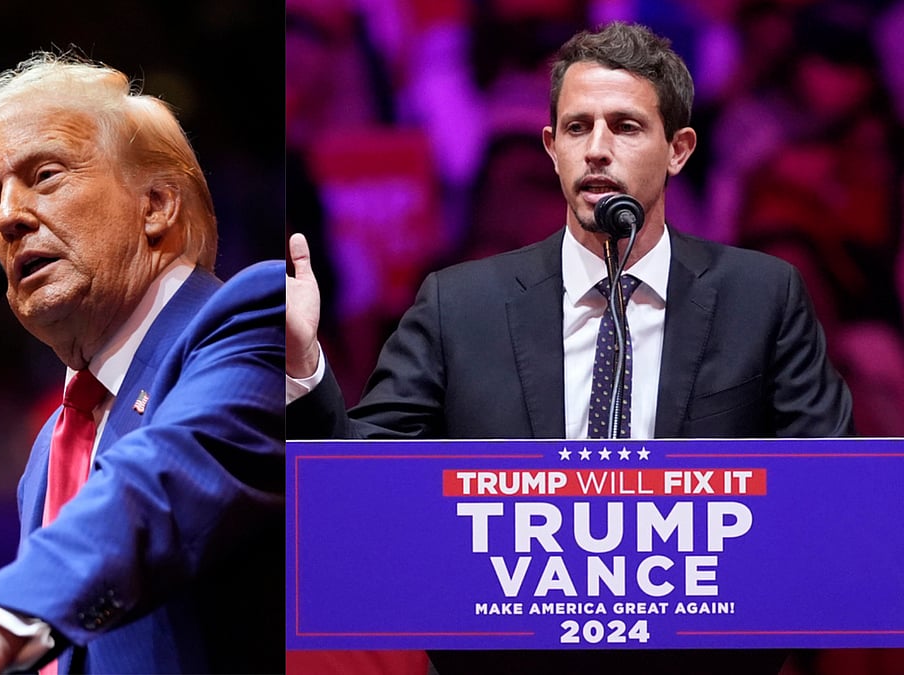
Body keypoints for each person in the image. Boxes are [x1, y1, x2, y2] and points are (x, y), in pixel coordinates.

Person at [286, 20, 853, 675]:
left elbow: (832, 511)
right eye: (579, 129)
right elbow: (361, 502)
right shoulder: (458, 305)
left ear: (679, 149)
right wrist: (305, 369)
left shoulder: (762, 296)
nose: (598, 152)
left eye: (627, 127)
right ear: (553, 147)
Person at [0, 51, 285, 674]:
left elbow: (165, 480)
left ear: (156, 205)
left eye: (45, 175)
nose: (10, 218)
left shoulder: (256, 317)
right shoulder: (52, 447)